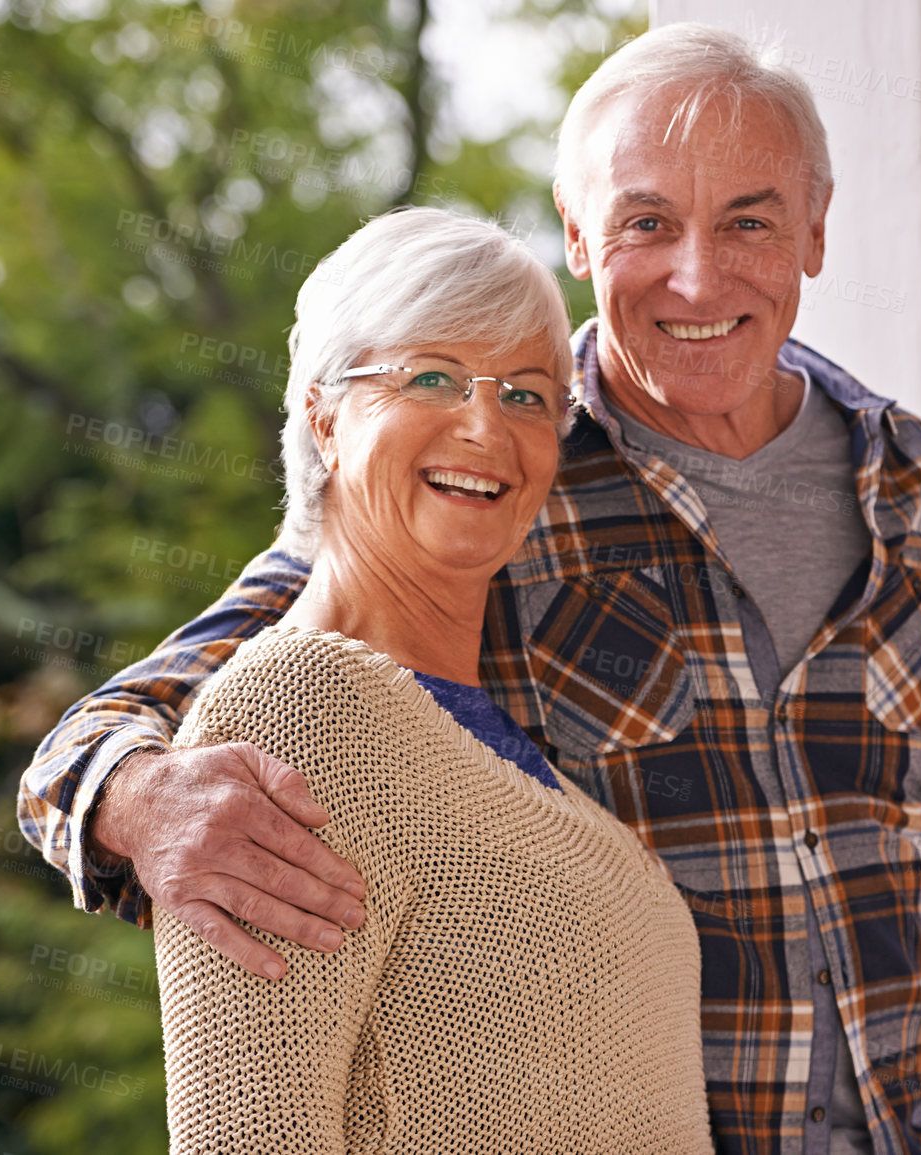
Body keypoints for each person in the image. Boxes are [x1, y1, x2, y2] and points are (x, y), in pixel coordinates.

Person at [21, 22, 921, 1155]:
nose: (699, 276)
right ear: (580, 235)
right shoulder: (497, 479)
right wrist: (131, 800)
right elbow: (158, 711)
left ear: (815, 229)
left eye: (749, 219)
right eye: (648, 222)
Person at [149, 206, 712, 1153]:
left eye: (529, 396)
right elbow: (244, 1136)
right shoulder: (302, 705)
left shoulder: (517, 758)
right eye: (432, 378)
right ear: (324, 418)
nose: (485, 426)